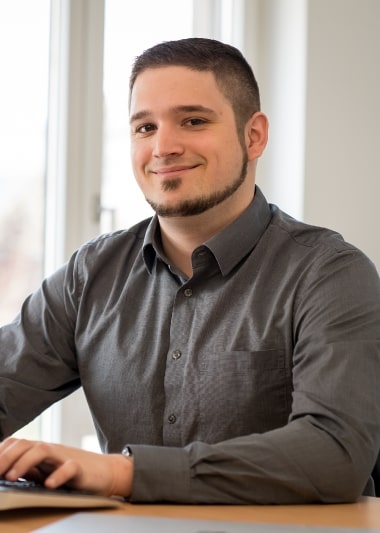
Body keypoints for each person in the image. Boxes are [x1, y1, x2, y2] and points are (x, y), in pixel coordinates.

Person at [0, 37, 380, 504]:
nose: (163, 147)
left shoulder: (330, 274)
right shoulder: (90, 274)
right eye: (144, 127)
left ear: (253, 135)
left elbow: (336, 454)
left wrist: (121, 474)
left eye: (193, 121)